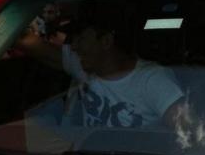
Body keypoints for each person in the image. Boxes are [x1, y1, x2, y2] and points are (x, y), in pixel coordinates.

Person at [17, 11, 185, 128]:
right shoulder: (83, 66)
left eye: (81, 38)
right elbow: (22, 38)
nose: (73, 47)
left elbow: (188, 136)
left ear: (106, 41)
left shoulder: (152, 80)